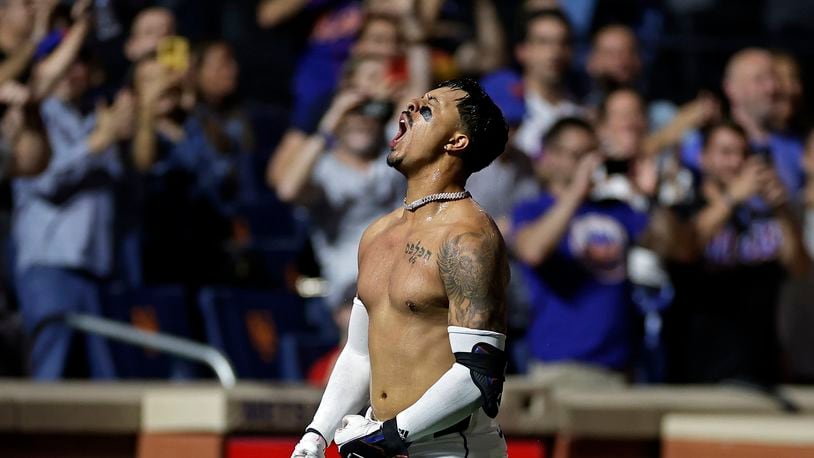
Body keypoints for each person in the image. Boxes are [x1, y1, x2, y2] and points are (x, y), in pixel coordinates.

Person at [292, 78, 510, 458]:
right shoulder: (378, 233)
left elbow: (480, 376)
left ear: (456, 142)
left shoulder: (469, 238)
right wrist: (315, 436)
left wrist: (387, 436)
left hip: (450, 450)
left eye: (427, 110)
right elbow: (360, 355)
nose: (410, 108)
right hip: (384, 441)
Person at [663, 120, 808, 385]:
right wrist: (732, 198)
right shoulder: (683, 208)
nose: (736, 162)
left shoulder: (762, 216)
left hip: (761, 370)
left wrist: (782, 211)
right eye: (726, 153)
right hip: (700, 370)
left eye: (743, 154)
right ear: (703, 157)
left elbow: (800, 269)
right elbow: (686, 249)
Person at [512, 117, 648, 387]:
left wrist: (644, 190)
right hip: (561, 366)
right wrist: (576, 190)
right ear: (550, 157)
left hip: (620, 368)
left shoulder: (617, 209)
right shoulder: (532, 209)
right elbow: (533, 251)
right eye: (578, 155)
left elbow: (678, 247)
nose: (588, 163)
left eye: (592, 154)